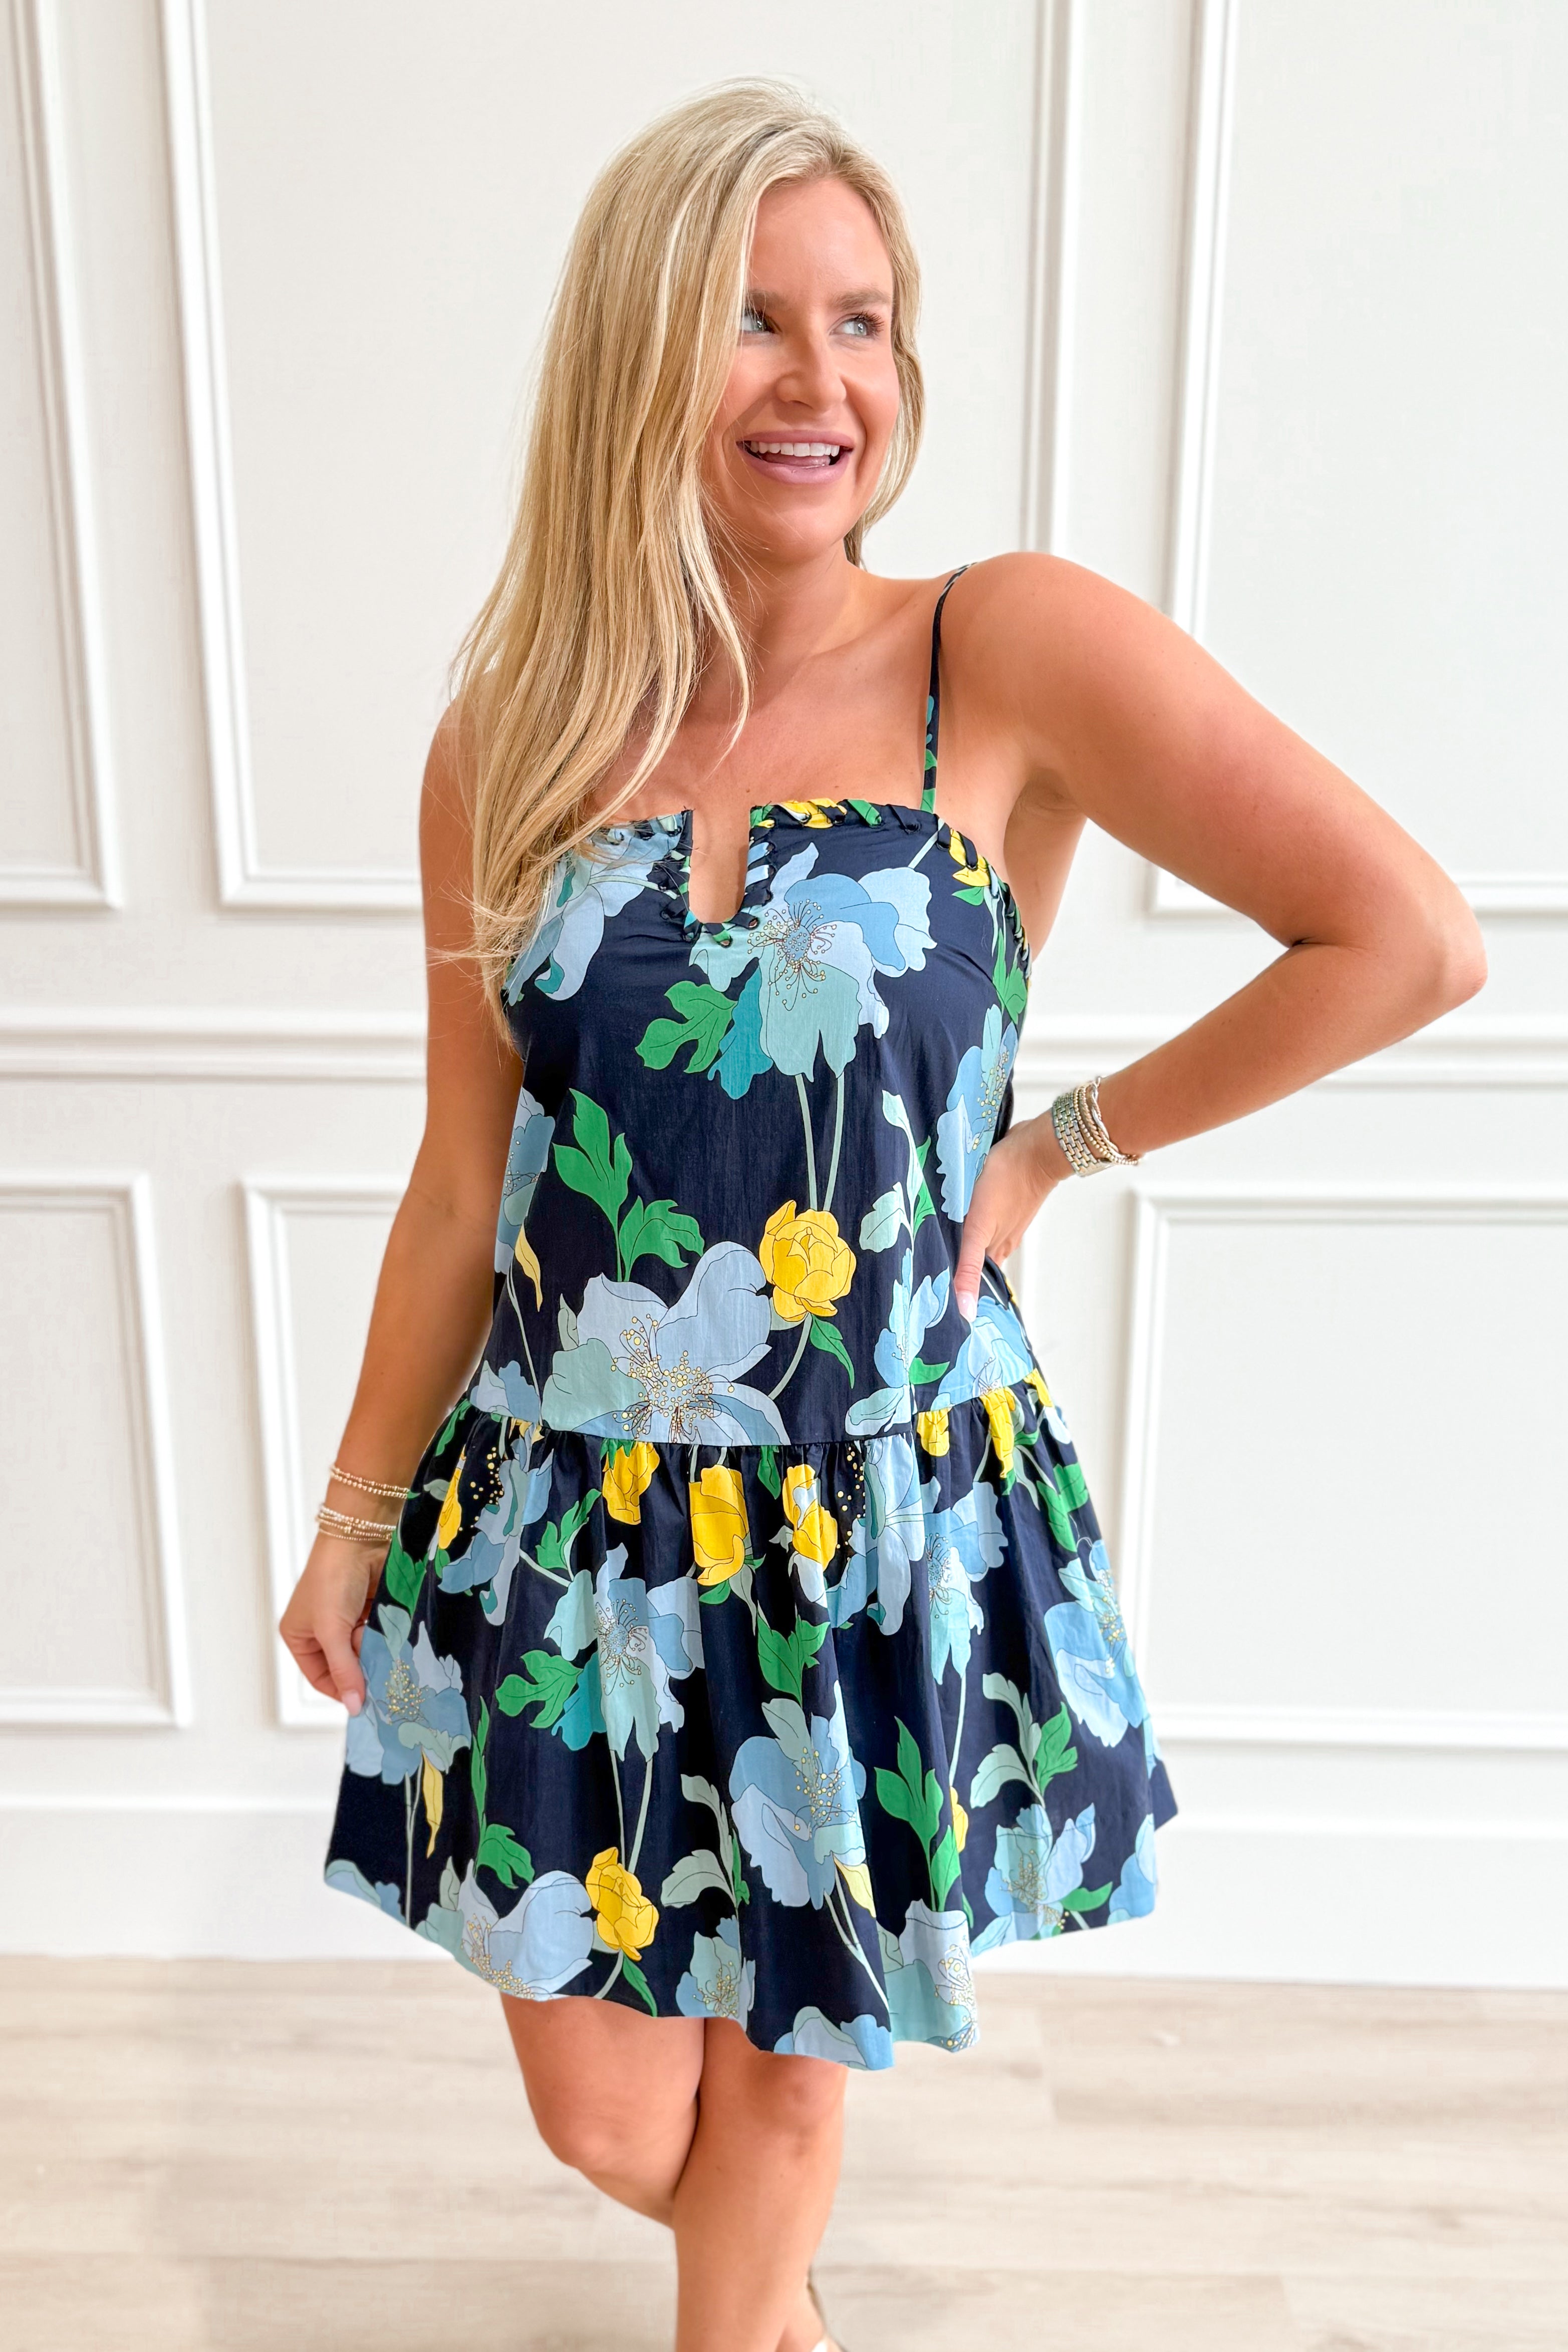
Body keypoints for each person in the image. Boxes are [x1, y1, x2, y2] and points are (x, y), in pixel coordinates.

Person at [279, 78, 1485, 2352]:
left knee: (786, 2077)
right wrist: (355, 1515)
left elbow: (1403, 938)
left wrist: (1052, 1152)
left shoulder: (998, 648)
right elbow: (461, 1181)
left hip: (873, 1503)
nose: (823, 381)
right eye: (754, 319)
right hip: (570, 1520)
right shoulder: (512, 729)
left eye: (865, 322)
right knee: (609, 2113)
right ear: (639, 350)